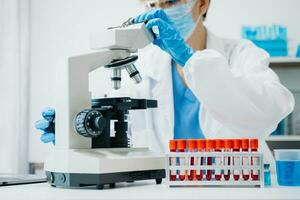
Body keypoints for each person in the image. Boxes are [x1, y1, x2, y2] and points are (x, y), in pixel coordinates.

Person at [36, 0, 294, 156]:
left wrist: (189, 59)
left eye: (170, 2)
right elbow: (120, 136)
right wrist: (77, 132)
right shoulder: (142, 67)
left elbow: (272, 109)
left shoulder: (241, 54)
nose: (159, 14)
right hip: (168, 189)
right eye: (152, 5)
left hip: (238, 185)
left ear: (203, 3)